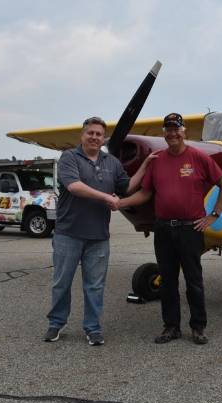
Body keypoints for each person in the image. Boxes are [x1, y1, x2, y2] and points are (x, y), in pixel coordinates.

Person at [117, 113, 222, 345]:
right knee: (168, 281)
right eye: (168, 130)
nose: (173, 133)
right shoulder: (157, 159)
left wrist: (214, 215)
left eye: (176, 129)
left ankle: (198, 327)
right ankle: (171, 327)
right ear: (164, 133)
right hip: (164, 230)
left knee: (194, 281)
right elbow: (145, 193)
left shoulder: (198, 157)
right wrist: (120, 202)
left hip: (190, 229)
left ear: (184, 131)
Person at [43, 116, 155, 346]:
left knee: (95, 285)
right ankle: (56, 322)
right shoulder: (69, 158)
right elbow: (74, 187)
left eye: (99, 134)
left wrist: (145, 165)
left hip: (98, 237)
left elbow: (127, 187)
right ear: (82, 136)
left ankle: (92, 327)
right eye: (90, 133)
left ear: (104, 138)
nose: (94, 137)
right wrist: (106, 197)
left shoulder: (112, 162)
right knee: (61, 282)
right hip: (68, 234)